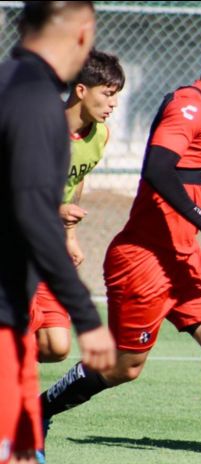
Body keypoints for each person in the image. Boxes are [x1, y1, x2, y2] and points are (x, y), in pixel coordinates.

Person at [38, 29, 201, 464]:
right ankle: (38, 412)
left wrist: (197, 229)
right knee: (123, 369)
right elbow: (156, 168)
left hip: (183, 257)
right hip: (144, 260)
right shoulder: (188, 106)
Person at [0, 1, 116, 464]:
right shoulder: (34, 102)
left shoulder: (13, 85)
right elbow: (30, 213)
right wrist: (88, 317)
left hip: (13, 300)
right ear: (84, 33)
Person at [30, 49, 125, 364]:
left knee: (56, 346)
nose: (113, 104)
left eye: (116, 96)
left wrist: (69, 235)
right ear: (81, 91)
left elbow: (77, 179)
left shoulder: (99, 135)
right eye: (108, 94)